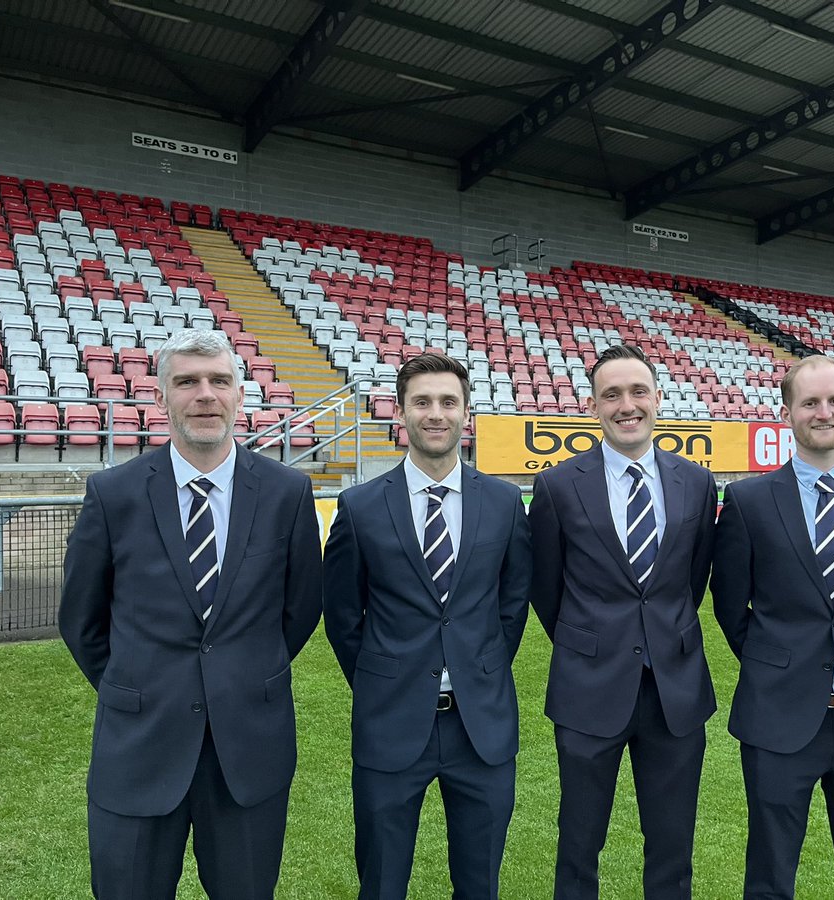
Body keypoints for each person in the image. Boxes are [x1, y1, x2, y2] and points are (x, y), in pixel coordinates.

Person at [58, 329, 323, 900]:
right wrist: (132, 684)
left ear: (240, 395)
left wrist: (244, 671)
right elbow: (81, 619)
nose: (205, 395)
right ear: (160, 397)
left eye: (219, 381)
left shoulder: (287, 492)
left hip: (249, 749)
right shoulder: (113, 493)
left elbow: (300, 609)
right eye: (187, 382)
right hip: (139, 745)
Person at [322, 351, 531, 900]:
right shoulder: (360, 505)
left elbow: (512, 607)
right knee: (383, 883)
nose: (435, 413)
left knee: (479, 884)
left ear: (467, 413)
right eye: (422, 402)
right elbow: (343, 616)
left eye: (447, 401)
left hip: (479, 728)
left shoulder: (506, 503)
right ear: (401, 412)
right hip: (390, 725)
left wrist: (476, 670)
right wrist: (384, 678)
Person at [711, 354, 834, 900]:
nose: (823, 412)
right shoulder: (749, 500)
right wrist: (779, 661)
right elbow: (730, 607)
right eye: (809, 402)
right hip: (778, 719)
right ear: (787, 413)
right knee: (770, 882)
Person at [529, 343, 718, 900]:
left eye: (638, 391)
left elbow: (694, 577)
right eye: (611, 394)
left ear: (658, 399)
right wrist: (591, 643)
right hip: (588, 689)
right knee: (579, 842)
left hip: (675, 691)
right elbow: (545, 588)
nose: (626, 405)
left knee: (672, 844)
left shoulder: (697, 482)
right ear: (594, 406)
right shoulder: (558, 486)